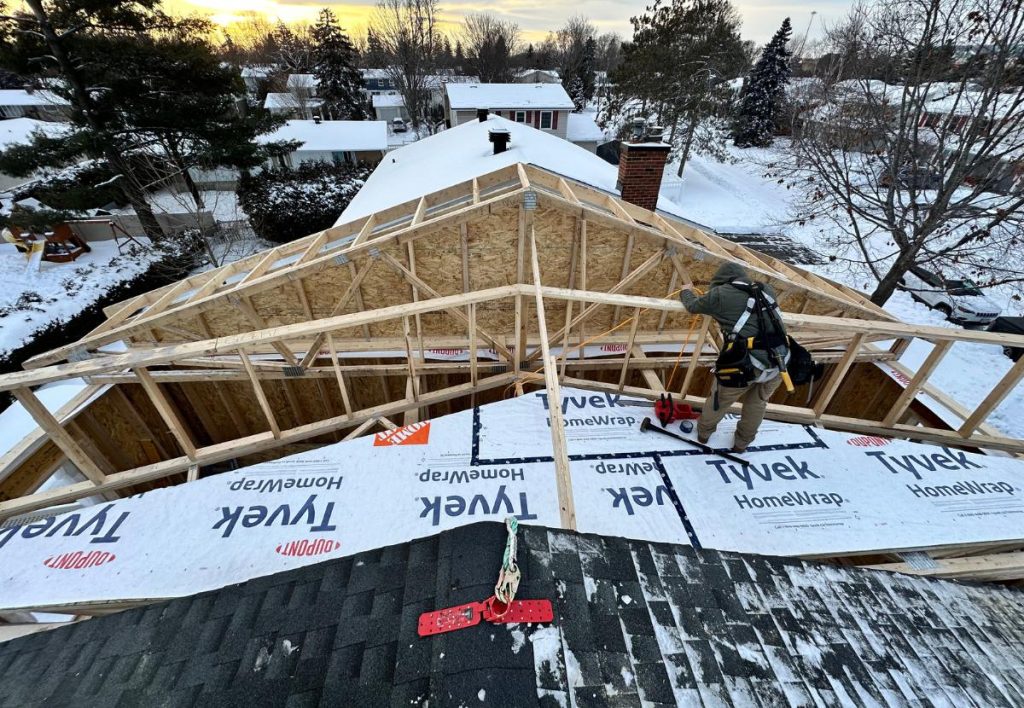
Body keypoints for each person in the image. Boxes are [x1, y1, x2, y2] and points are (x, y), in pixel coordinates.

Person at [679, 262, 788, 452]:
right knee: (757, 404)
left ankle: (704, 435)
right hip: (779, 361)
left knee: (719, 399)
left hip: (746, 364)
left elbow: (692, 306)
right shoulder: (765, 289)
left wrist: (686, 291)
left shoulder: (721, 294)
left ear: (722, 282)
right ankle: (741, 445)